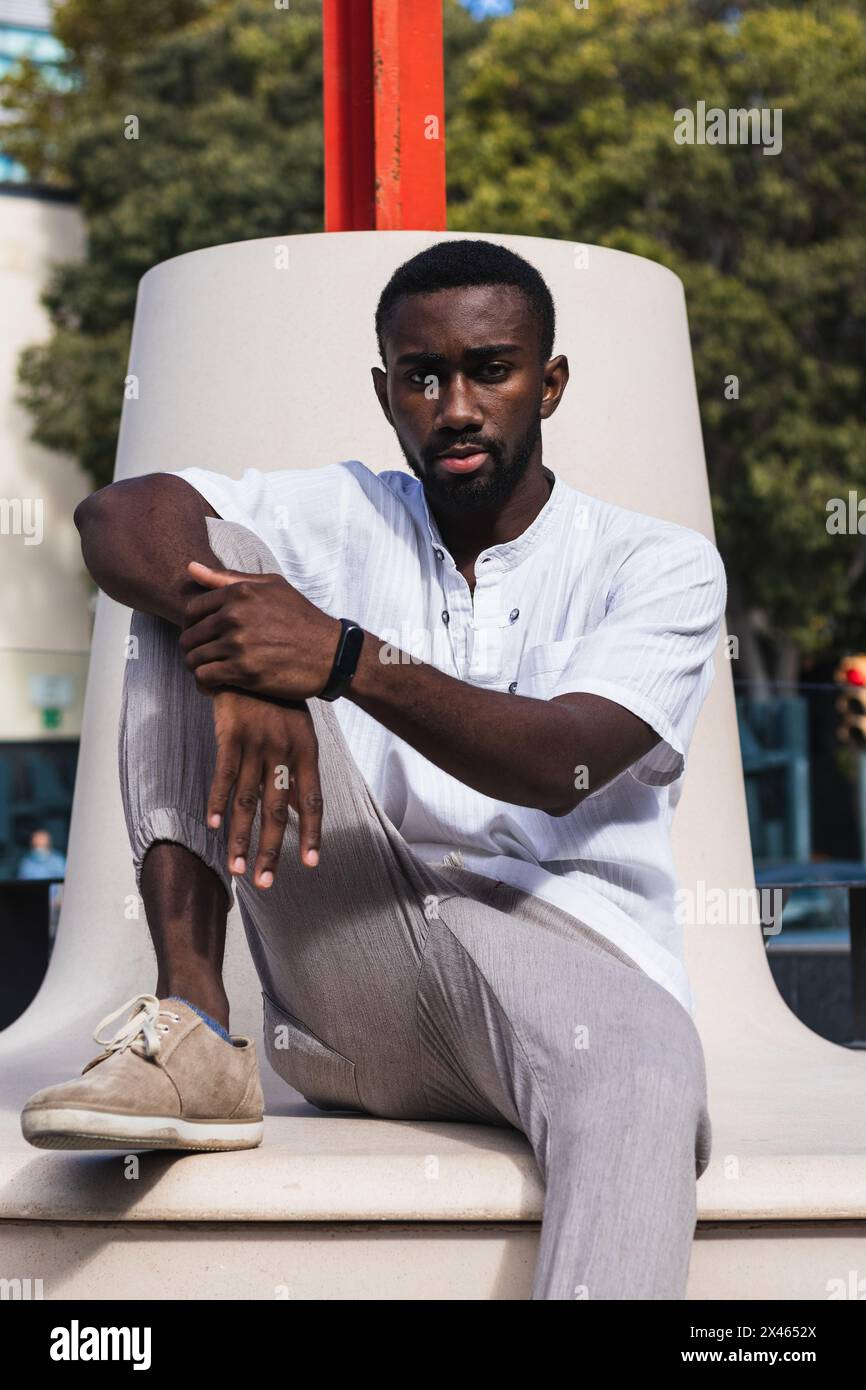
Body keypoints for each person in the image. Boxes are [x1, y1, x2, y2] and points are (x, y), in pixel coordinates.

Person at [21, 239, 726, 1300]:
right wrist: (256, 666)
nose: (453, 405)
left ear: (549, 381)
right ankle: (195, 1030)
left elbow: (563, 760)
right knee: (199, 575)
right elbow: (116, 518)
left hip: (572, 971)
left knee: (642, 1079)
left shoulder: (654, 561)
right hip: (349, 962)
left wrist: (341, 657)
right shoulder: (342, 511)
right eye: (421, 374)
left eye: (489, 368)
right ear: (384, 389)